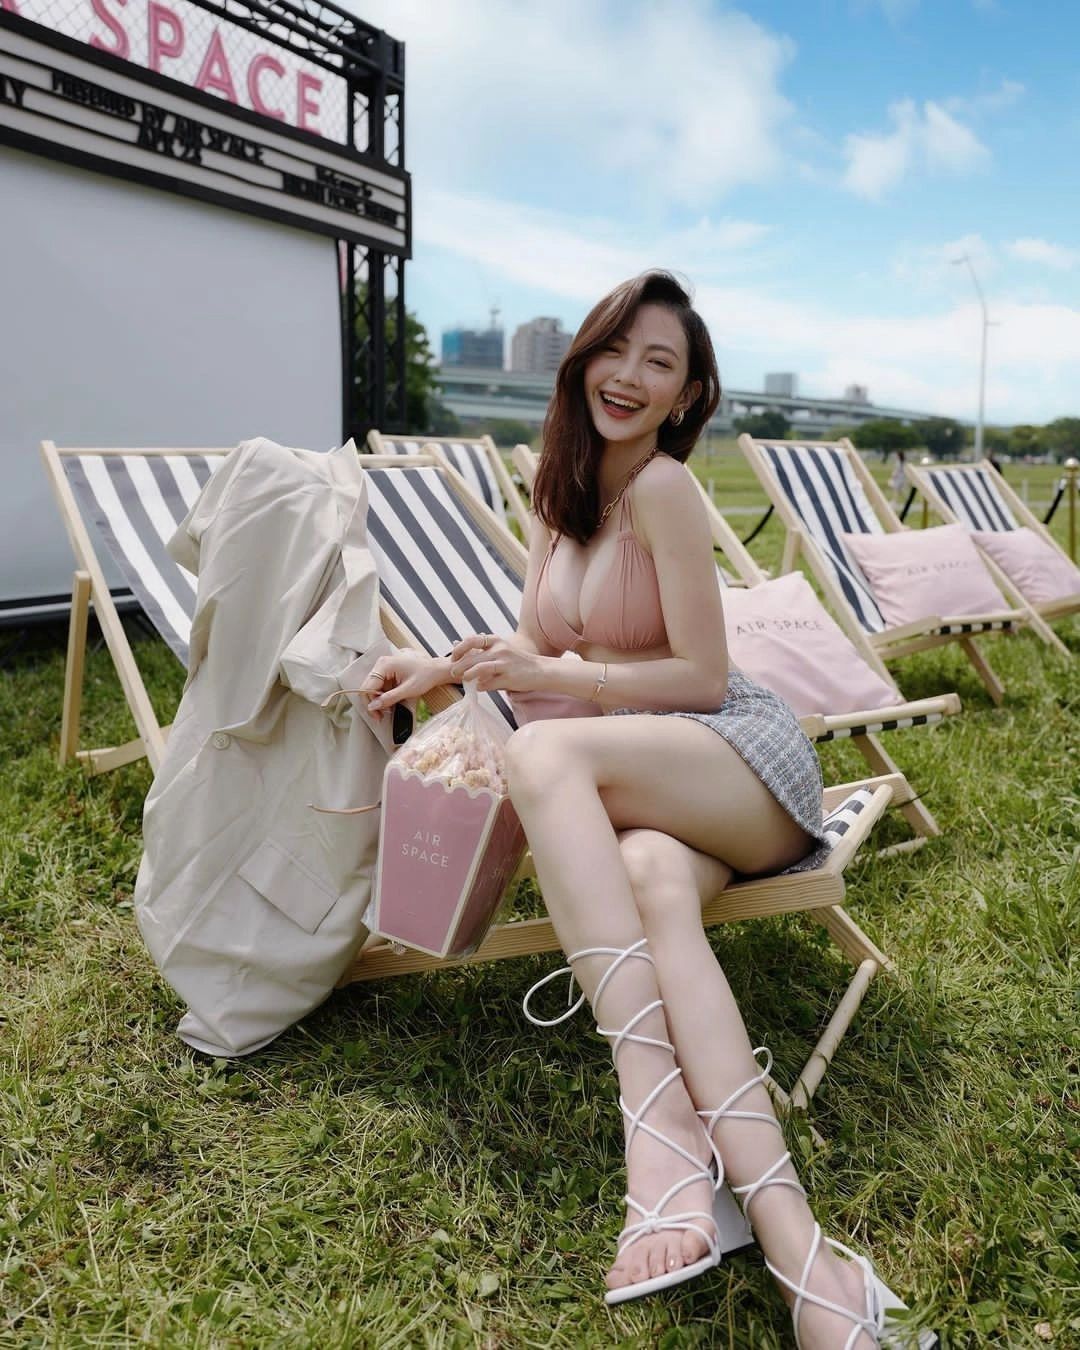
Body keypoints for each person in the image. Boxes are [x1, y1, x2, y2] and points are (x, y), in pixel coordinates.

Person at [360, 273, 927, 1347]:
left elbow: (703, 677)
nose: (628, 376)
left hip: (736, 761)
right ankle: (802, 1254)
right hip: (642, 774)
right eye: (613, 351)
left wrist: (558, 681)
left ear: (687, 394)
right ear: (581, 363)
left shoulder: (665, 489)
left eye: (658, 362)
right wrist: (442, 665)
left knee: (545, 755)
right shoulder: (556, 493)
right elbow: (540, 649)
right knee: (651, 878)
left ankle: (656, 1127)